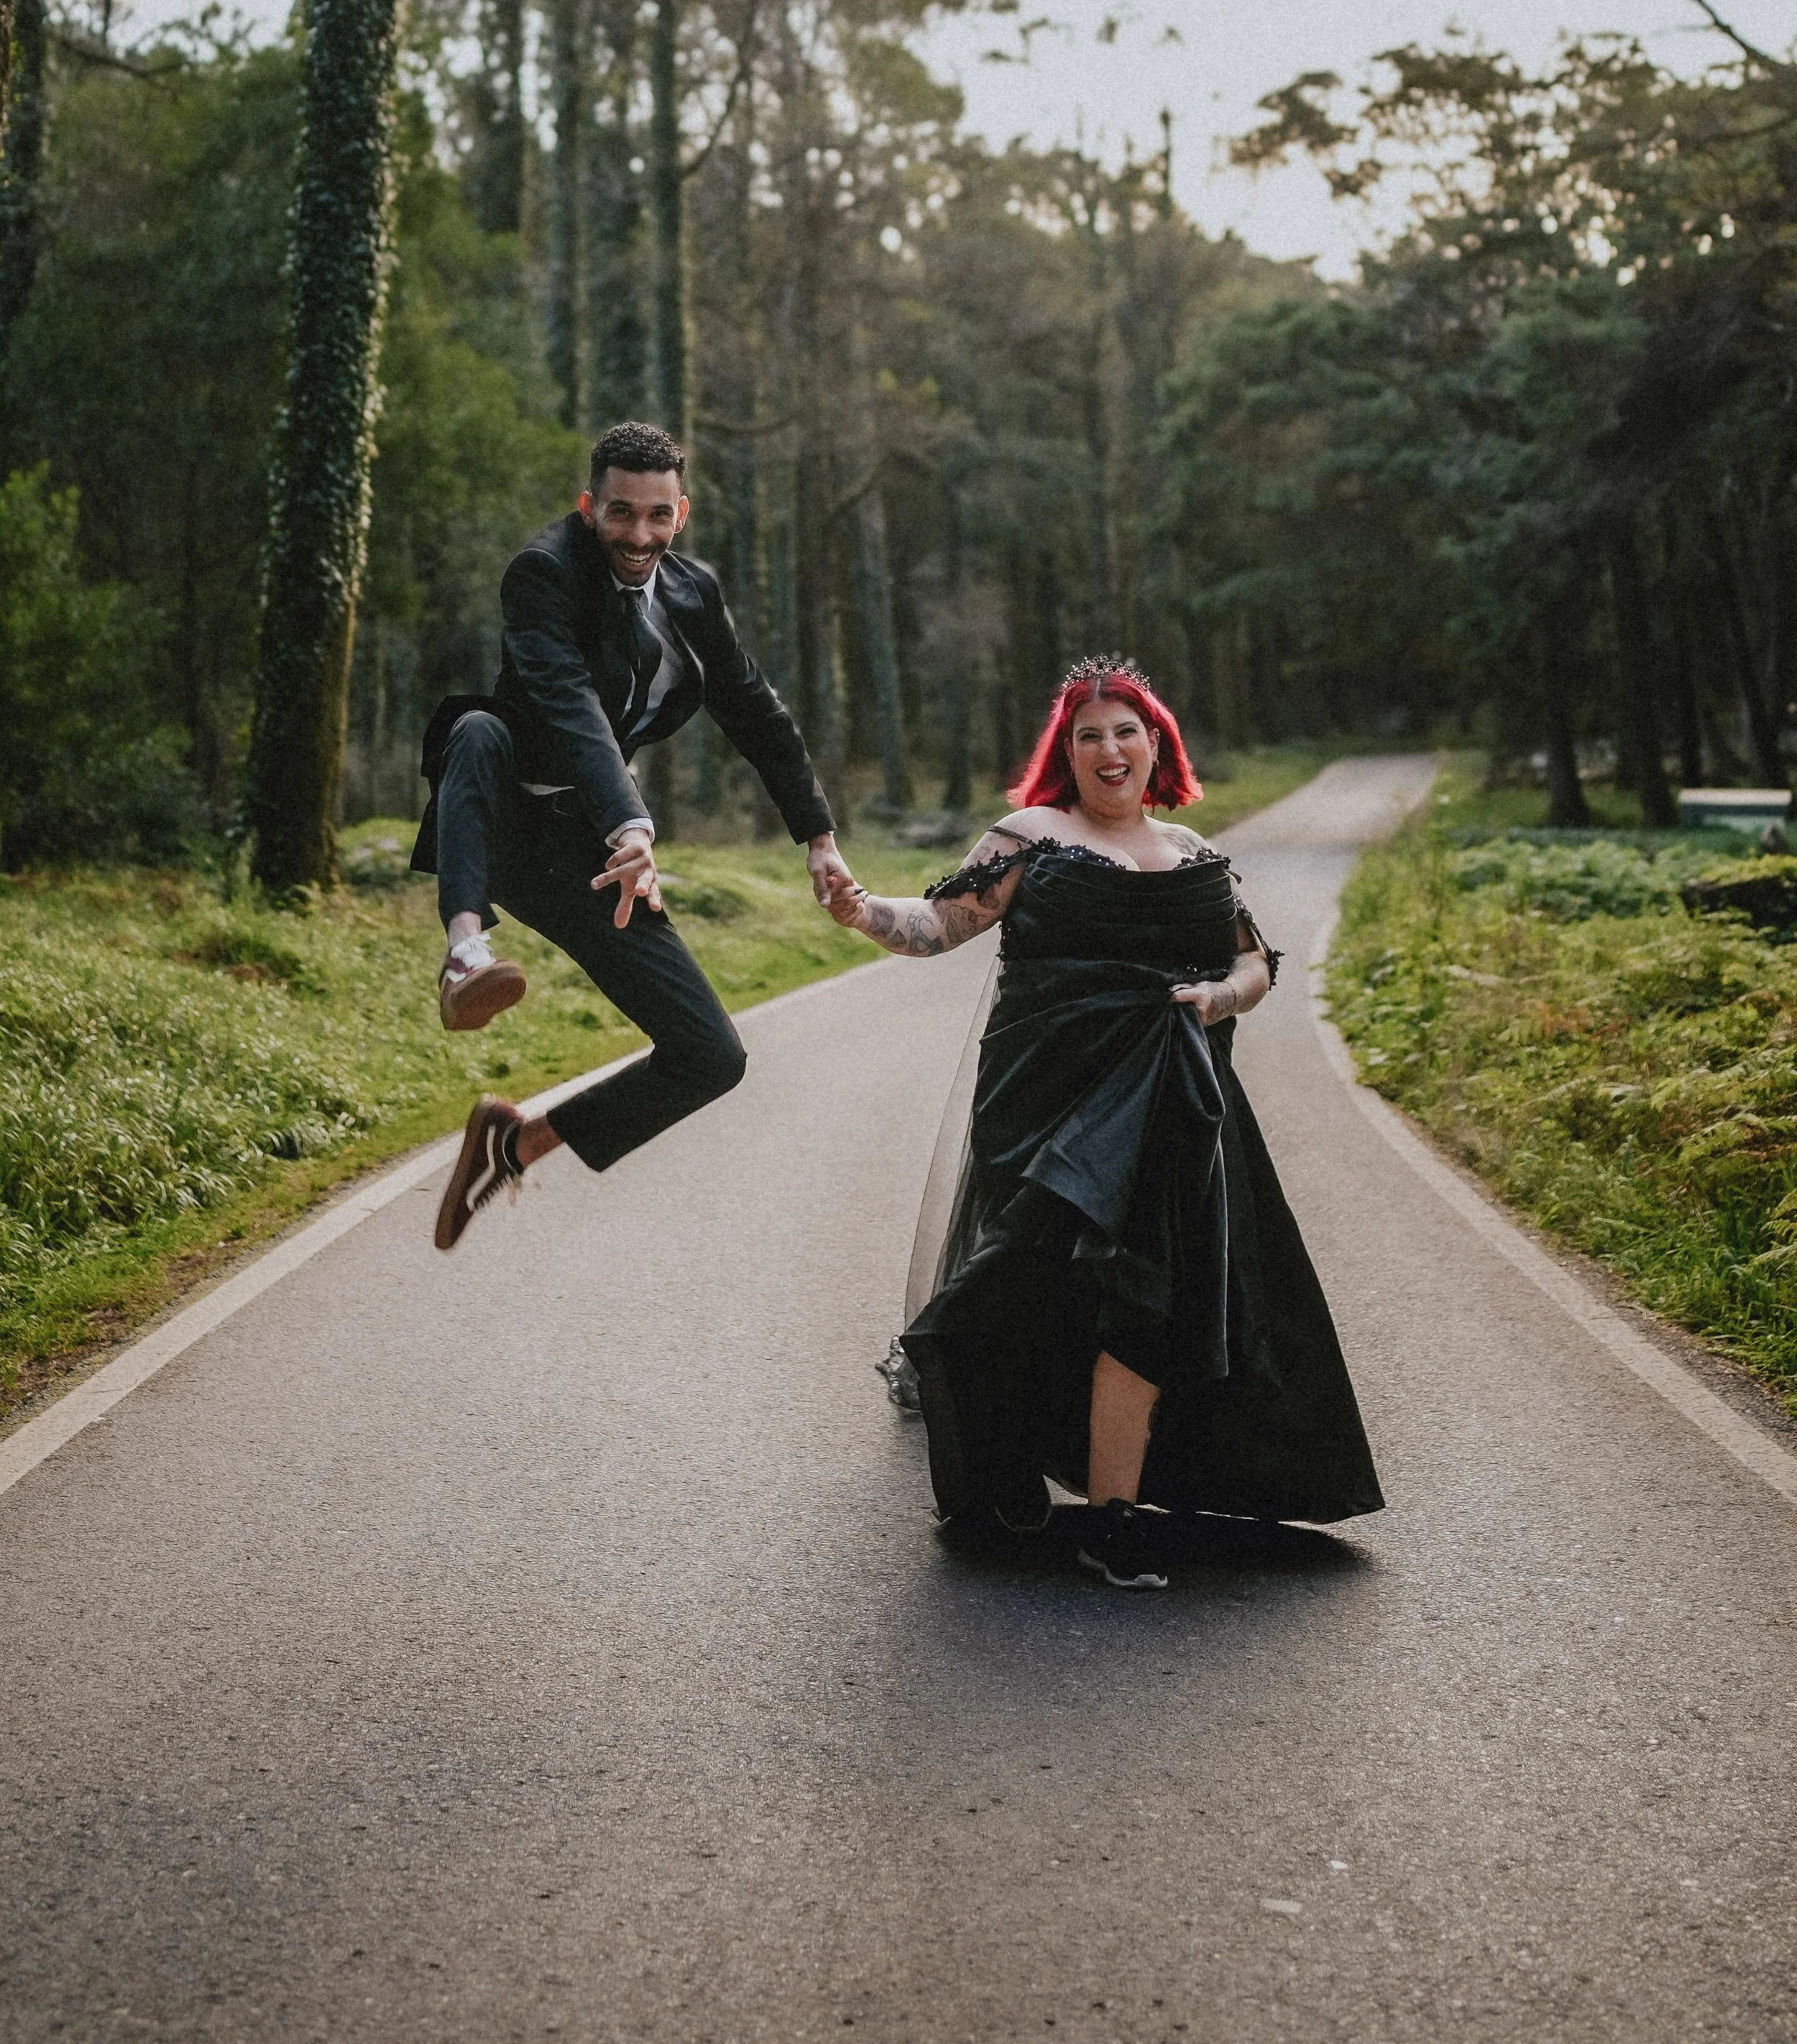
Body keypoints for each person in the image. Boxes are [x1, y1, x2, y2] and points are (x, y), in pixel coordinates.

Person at [822, 658, 1383, 1589]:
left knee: (1141, 1285)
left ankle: (1115, 1516)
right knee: (1033, 1283)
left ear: (1157, 742)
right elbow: (937, 923)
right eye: (1089, 734)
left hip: (1169, 1100)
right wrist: (860, 910)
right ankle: (1005, 1459)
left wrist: (1219, 998)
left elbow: (1256, 964)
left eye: (1125, 730)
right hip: (1045, 1099)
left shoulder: (1197, 853)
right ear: (1067, 752)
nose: (1109, 747)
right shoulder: (1034, 835)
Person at [413, 420, 854, 1250]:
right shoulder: (542, 573)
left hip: (588, 848)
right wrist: (633, 822)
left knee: (711, 1056)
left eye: (657, 516)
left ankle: (514, 1140)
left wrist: (818, 836)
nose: (638, 535)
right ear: (589, 508)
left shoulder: (693, 594)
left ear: (680, 514)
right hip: (508, 817)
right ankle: (465, 953)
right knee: (477, 729)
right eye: (620, 514)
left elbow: (755, 712)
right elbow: (567, 700)